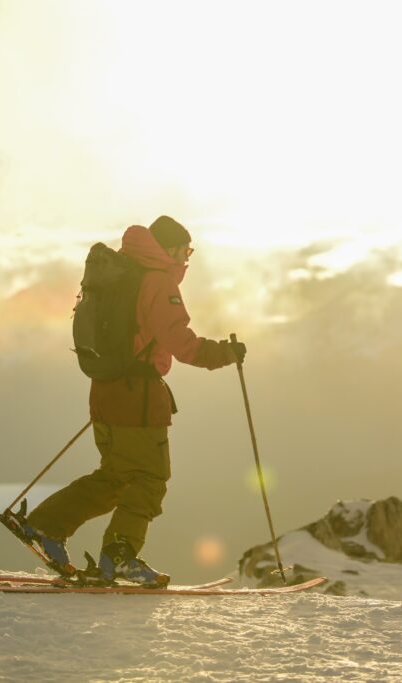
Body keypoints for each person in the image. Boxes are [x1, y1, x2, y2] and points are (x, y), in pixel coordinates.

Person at [20, 216, 245, 586]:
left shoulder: (121, 274)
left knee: (114, 478)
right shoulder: (157, 281)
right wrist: (226, 353)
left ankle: (46, 526)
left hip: (105, 389)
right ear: (169, 248)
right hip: (137, 397)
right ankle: (120, 555)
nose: (187, 259)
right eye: (185, 251)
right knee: (149, 479)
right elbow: (180, 343)